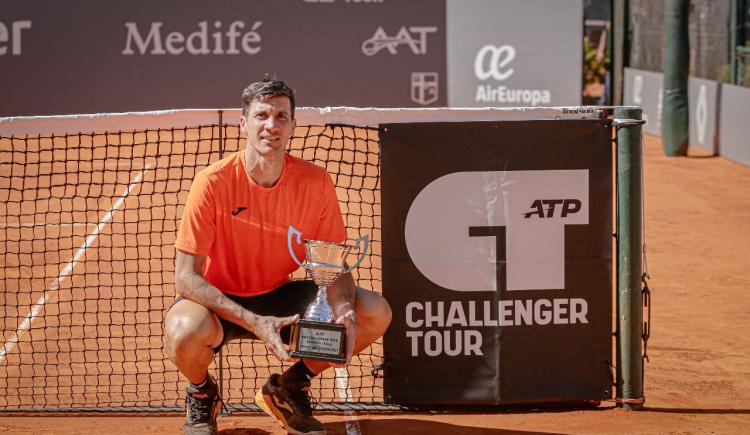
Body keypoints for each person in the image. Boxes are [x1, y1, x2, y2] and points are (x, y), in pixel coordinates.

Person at [163, 79, 392, 435]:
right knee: (183, 330)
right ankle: (202, 393)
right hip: (218, 300)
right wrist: (254, 322)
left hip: (278, 295)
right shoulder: (212, 182)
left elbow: (334, 265)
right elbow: (186, 277)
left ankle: (288, 388)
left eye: (282, 117)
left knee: (372, 312)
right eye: (262, 115)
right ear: (244, 123)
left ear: (292, 126)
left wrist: (345, 308)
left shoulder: (315, 182)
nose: (272, 125)